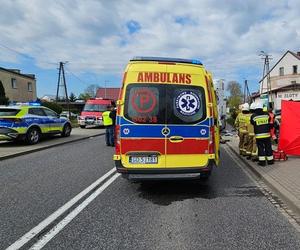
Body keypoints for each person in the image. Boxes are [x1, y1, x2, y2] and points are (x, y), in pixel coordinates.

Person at [250, 101, 274, 166]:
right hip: (267, 135)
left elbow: (252, 123)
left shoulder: (253, 116)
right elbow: (269, 120)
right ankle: (270, 161)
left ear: (256, 108)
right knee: (268, 147)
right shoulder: (266, 114)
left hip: (259, 136)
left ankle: (262, 162)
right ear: (262, 108)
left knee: (260, 149)